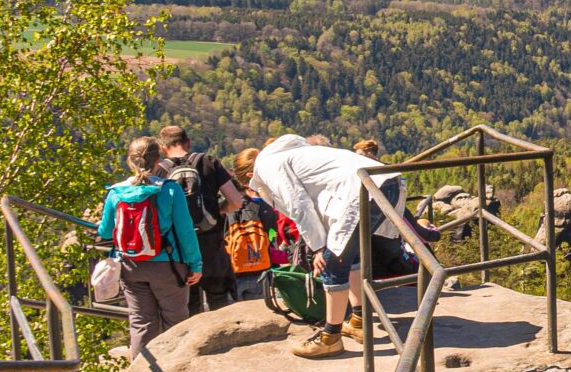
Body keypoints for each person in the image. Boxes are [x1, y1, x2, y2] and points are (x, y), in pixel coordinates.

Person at [248, 134, 434, 358]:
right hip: (386, 180)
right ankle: (358, 320)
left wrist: (318, 248)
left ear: (250, 176)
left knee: (332, 263)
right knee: (350, 255)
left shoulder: (268, 166)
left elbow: (298, 204)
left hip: (363, 189)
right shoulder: (294, 153)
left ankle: (330, 338)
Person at [96, 136, 203, 358]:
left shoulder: (116, 192)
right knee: (175, 320)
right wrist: (195, 264)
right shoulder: (169, 190)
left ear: (130, 161)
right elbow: (185, 232)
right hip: (169, 265)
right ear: (158, 160)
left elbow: (105, 232)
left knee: (141, 321)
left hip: (130, 265)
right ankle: (179, 369)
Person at [158, 125, 244, 312]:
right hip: (212, 244)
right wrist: (219, 210)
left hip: (178, 249)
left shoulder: (159, 171)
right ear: (187, 142)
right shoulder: (208, 162)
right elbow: (236, 201)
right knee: (219, 300)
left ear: (163, 148)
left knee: (189, 304)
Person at [224, 147, 300, 303]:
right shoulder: (268, 207)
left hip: (232, 272)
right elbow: (273, 235)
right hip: (262, 270)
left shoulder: (226, 208)